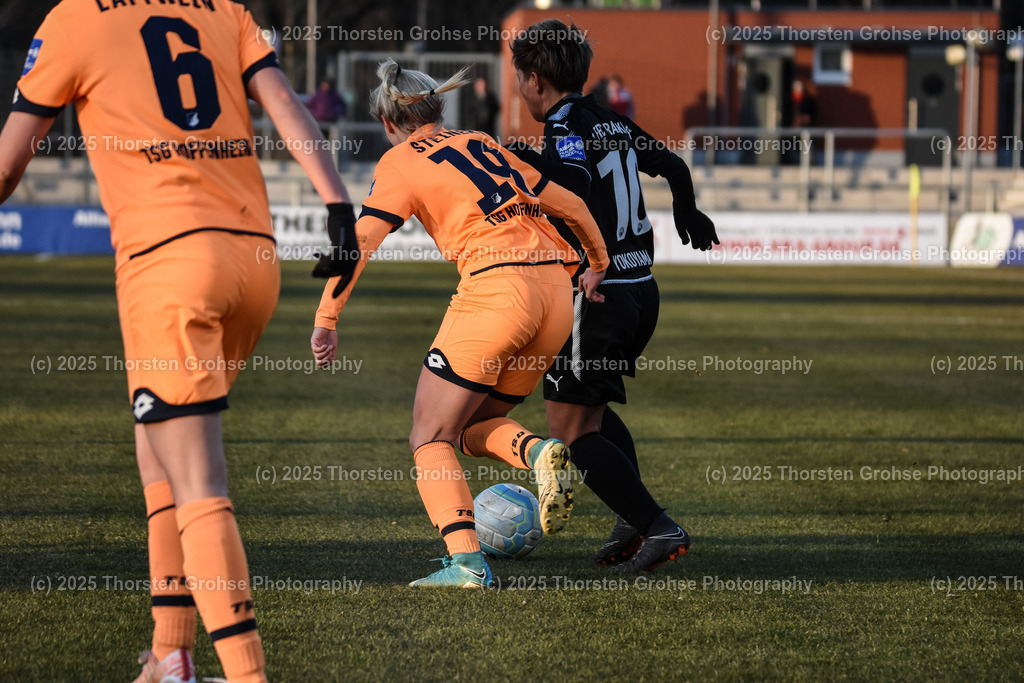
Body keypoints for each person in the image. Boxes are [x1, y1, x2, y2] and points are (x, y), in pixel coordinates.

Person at [0, 1, 357, 681]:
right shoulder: (224, 8)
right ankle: (170, 655)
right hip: (253, 261)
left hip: (169, 266)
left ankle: (246, 673)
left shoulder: (74, 17)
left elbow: (9, 164)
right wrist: (338, 204)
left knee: (197, 481)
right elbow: (282, 100)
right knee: (158, 454)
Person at [310, 58, 610, 588]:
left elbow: (358, 243)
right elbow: (569, 202)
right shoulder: (484, 141)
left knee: (429, 436)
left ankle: (468, 566)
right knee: (467, 430)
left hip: (497, 293)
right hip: (554, 300)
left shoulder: (401, 160)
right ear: (438, 108)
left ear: (387, 123)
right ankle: (540, 452)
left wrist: (327, 316)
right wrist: (598, 263)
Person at [508, 19, 719, 573]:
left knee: (570, 432)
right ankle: (633, 516)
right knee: (591, 413)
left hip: (596, 297)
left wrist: (519, 158)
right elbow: (672, 164)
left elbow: (573, 183)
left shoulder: (565, 124)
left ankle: (657, 527)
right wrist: (686, 209)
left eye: (517, 80)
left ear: (534, 81)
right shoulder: (611, 120)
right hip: (640, 290)